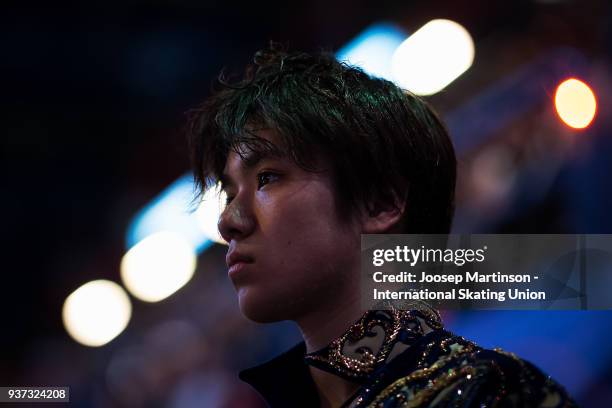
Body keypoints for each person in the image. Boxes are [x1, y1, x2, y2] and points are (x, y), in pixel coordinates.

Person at [187, 44, 576, 408]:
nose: (228, 222)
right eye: (229, 191)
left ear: (382, 203)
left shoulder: (489, 392)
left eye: (267, 178)